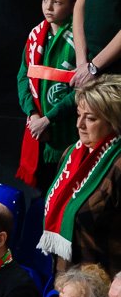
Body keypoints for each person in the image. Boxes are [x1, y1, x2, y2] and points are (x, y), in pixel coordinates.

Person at [37, 79, 121, 268]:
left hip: (103, 279)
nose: (79, 124)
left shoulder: (118, 164)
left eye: (90, 118)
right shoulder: (70, 154)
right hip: (65, 275)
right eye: (78, 115)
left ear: (113, 121)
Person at [17, 0, 81, 191]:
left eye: (57, 2)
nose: (48, 7)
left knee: (65, 188)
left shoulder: (80, 39)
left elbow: (83, 89)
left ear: (73, 5)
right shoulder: (35, 35)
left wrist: (49, 119)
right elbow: (23, 77)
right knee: (42, 188)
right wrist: (33, 115)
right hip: (37, 127)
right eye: (45, 0)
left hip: (66, 132)